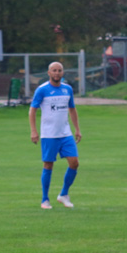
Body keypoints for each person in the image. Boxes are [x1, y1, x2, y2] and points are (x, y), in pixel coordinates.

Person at [29, 61, 81, 209]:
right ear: (49, 73)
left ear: (62, 73)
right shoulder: (42, 90)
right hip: (49, 134)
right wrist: (34, 131)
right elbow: (32, 110)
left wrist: (77, 129)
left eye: (59, 70)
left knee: (74, 162)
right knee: (48, 164)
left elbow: (72, 109)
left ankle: (64, 194)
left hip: (65, 133)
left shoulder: (67, 90)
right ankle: (45, 199)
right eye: (54, 70)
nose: (57, 73)